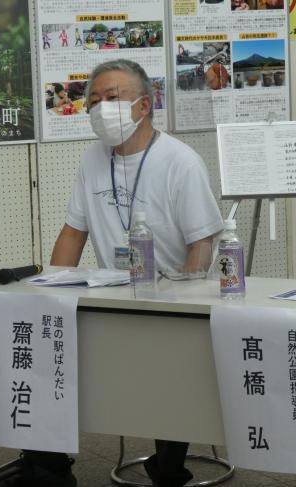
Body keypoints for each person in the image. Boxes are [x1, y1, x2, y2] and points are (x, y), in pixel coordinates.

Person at [51, 58, 224, 487]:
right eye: (93, 101)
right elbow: (73, 233)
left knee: (172, 370)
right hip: (112, 299)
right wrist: (49, 294)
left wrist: (182, 305)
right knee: (47, 350)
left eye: (112, 99)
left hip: (170, 302)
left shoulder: (179, 161)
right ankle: (47, 465)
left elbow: (202, 242)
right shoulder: (93, 159)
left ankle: (168, 466)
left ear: (144, 105)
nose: (100, 109)